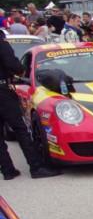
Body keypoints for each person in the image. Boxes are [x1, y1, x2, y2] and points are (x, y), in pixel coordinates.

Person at [0, 31, 60, 180]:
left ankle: (7, 170)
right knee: (20, 129)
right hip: (2, 92)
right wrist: (19, 70)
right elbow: (15, 66)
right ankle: (36, 167)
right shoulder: (1, 43)